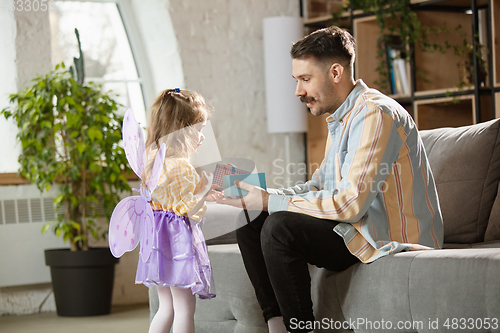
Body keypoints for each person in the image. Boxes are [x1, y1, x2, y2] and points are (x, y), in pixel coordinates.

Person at [217, 26, 444, 333]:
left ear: (336, 72)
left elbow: (349, 204)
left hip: (387, 237)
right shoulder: (341, 118)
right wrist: (258, 195)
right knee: (251, 217)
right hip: (356, 230)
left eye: (305, 79)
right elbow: (319, 187)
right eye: (296, 80)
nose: (298, 90)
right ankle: (278, 326)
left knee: (279, 227)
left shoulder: (375, 114)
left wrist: (272, 202)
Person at [137, 88, 218, 333]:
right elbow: (188, 211)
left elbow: (168, 203)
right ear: (182, 129)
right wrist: (203, 192)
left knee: (166, 307)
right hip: (177, 245)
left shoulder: (153, 161)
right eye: (199, 130)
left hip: (157, 244)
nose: (202, 138)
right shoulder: (182, 167)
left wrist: (201, 192)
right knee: (185, 307)